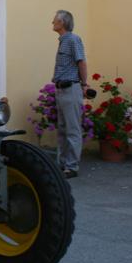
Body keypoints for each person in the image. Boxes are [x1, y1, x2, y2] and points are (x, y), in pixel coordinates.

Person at [51, 10, 90, 178]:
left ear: (62, 22)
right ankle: (62, 163)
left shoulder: (73, 40)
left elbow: (81, 62)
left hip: (71, 88)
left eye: (55, 20)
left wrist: (84, 84)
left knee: (72, 129)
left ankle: (72, 167)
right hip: (61, 89)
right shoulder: (63, 41)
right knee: (62, 129)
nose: (52, 22)